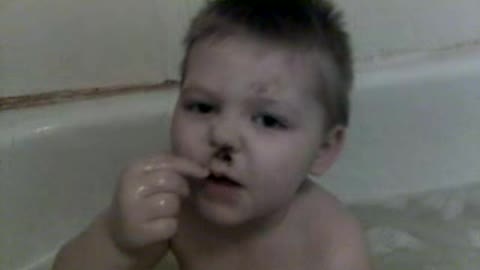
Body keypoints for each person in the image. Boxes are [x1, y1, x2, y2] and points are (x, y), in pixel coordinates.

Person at [53, 0, 371, 269]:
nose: (223, 136)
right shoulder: (174, 207)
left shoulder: (332, 247)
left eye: (268, 120)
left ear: (323, 150)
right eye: (203, 107)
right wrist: (117, 240)